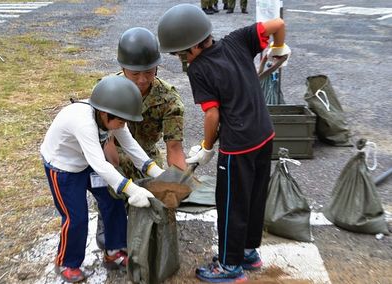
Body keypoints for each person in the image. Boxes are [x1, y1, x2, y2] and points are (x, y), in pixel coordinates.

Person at [157, 4, 291, 283]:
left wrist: (206, 147)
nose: (181, 57)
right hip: (264, 135)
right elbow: (278, 24)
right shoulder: (237, 39)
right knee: (254, 197)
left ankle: (231, 266)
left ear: (192, 46)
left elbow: (212, 113)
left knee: (231, 204)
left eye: (180, 52)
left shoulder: (199, 69)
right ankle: (248, 254)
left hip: (238, 147)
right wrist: (279, 48)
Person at [40, 76, 164, 283]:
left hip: (86, 161)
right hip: (63, 168)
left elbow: (130, 145)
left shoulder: (112, 114)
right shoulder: (84, 122)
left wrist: (155, 171)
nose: (122, 125)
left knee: (113, 200)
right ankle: (67, 263)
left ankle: (113, 251)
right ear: (105, 114)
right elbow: (100, 164)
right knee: (75, 216)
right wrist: (132, 189)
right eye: (121, 121)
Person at [95, 27, 187, 250]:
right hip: (113, 153)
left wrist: (178, 183)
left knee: (154, 201)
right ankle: (107, 220)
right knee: (110, 188)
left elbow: (174, 146)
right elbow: (103, 137)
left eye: (149, 71)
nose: (143, 80)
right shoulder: (108, 90)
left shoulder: (168, 99)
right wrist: (114, 169)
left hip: (146, 155)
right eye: (134, 74)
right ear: (122, 67)